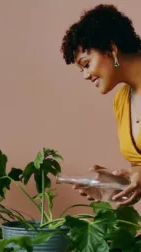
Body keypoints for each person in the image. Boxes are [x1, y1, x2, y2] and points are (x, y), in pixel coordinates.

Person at [60, 4, 141, 206]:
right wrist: (122, 185)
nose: (86, 75)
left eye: (86, 64)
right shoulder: (122, 101)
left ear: (111, 49)